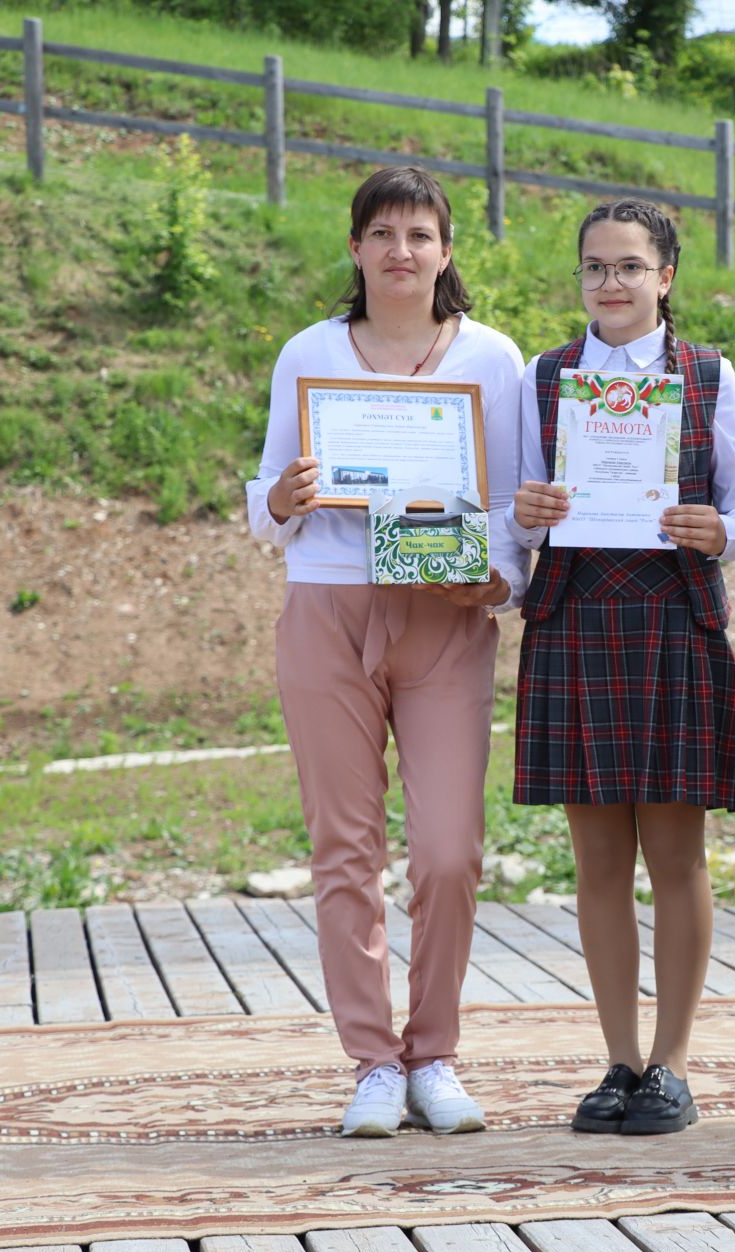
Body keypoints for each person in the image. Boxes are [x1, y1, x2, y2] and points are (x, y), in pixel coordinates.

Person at [246, 166, 526, 1138]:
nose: (400, 251)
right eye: (382, 233)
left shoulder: (494, 359)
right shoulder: (309, 354)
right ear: (356, 247)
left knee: (448, 849)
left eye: (419, 234)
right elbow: (270, 499)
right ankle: (373, 1059)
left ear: (447, 251)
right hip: (326, 606)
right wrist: (281, 498)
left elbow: (509, 513)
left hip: (445, 618)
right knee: (345, 848)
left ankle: (435, 1052)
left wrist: (489, 578)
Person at [507, 198, 735, 1136]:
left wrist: (720, 529)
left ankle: (674, 1065)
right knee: (598, 861)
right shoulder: (546, 377)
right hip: (575, 622)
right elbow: (513, 515)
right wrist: (527, 514)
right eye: (593, 268)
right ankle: (617, 1062)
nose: (608, 283)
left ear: (666, 277)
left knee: (678, 855)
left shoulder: (708, 374)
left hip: (674, 621)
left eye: (627, 266)